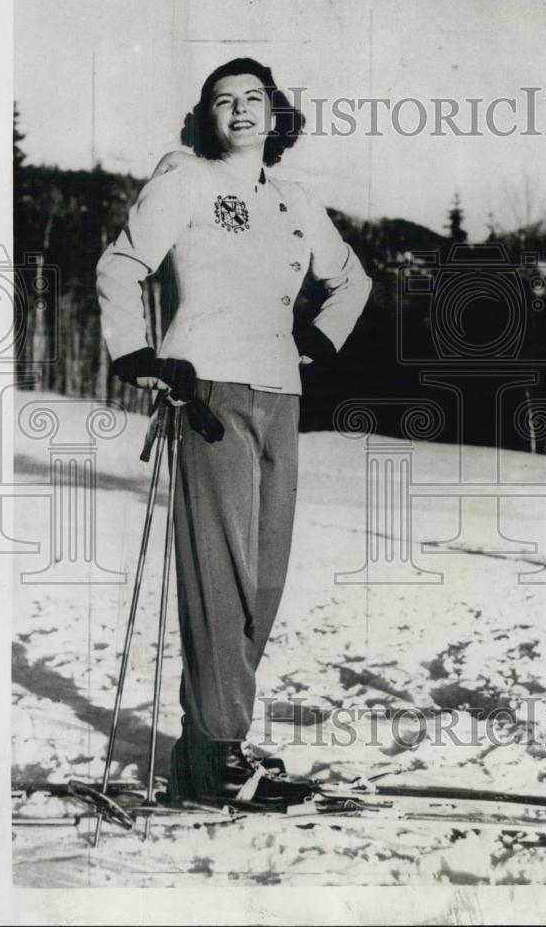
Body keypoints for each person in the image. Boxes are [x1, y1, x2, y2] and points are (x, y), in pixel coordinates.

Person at [96, 58, 371, 804]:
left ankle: (209, 746)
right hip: (208, 389)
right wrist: (140, 355)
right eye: (225, 100)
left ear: (276, 114)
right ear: (206, 116)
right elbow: (122, 265)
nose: (241, 110)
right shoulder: (184, 178)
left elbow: (352, 278)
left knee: (264, 577)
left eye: (254, 99)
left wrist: (318, 338)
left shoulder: (293, 198)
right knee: (219, 576)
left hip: (282, 392)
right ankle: (217, 754)